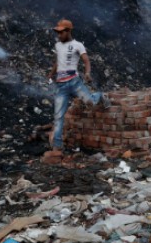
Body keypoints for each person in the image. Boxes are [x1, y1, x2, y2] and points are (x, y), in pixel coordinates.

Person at [47, 19, 110, 152]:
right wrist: (51, 74)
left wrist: (87, 73)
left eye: (61, 32)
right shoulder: (58, 46)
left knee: (91, 102)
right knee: (58, 116)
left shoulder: (78, 45)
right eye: (57, 33)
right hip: (61, 86)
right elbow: (58, 62)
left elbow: (86, 60)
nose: (59, 35)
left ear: (68, 31)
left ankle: (100, 96)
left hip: (74, 82)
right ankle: (57, 147)